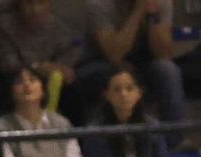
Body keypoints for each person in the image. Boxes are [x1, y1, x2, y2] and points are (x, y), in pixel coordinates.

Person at [78, 0, 185, 141]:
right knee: (120, 76)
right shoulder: (99, 4)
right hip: (100, 64)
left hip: (142, 65)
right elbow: (114, 54)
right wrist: (138, 12)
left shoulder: (161, 2)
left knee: (168, 70)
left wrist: (153, 16)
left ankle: (171, 142)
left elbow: (163, 53)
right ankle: (111, 142)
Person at [0, 0, 84, 122]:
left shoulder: (59, 26)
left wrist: (62, 69)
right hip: (14, 77)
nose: (35, 9)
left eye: (41, 3)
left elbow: (66, 58)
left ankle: (75, 136)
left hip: (51, 79)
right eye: (29, 3)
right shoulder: (2, 25)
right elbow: (6, 62)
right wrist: (37, 68)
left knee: (73, 86)